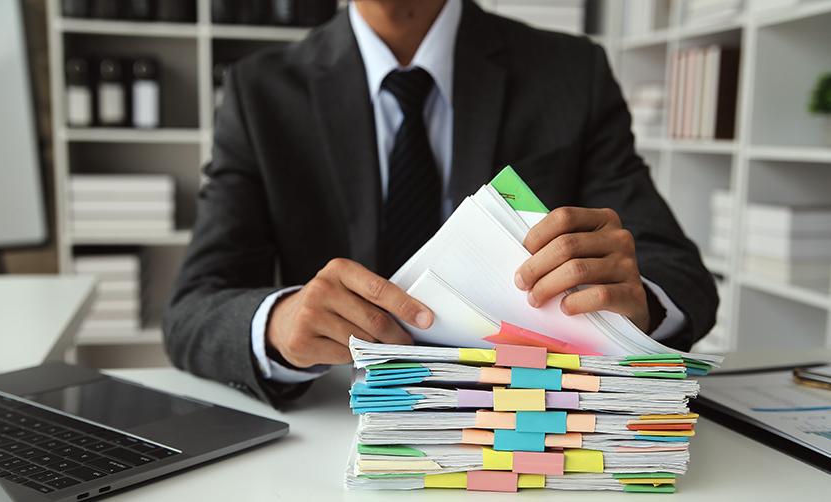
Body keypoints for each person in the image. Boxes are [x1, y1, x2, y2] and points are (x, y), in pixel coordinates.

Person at [163, 0, 718, 407]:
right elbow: (192, 311)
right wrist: (280, 324)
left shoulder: (570, 73)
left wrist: (636, 301)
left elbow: (678, 272)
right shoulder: (259, 91)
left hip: (536, 419)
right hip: (337, 425)